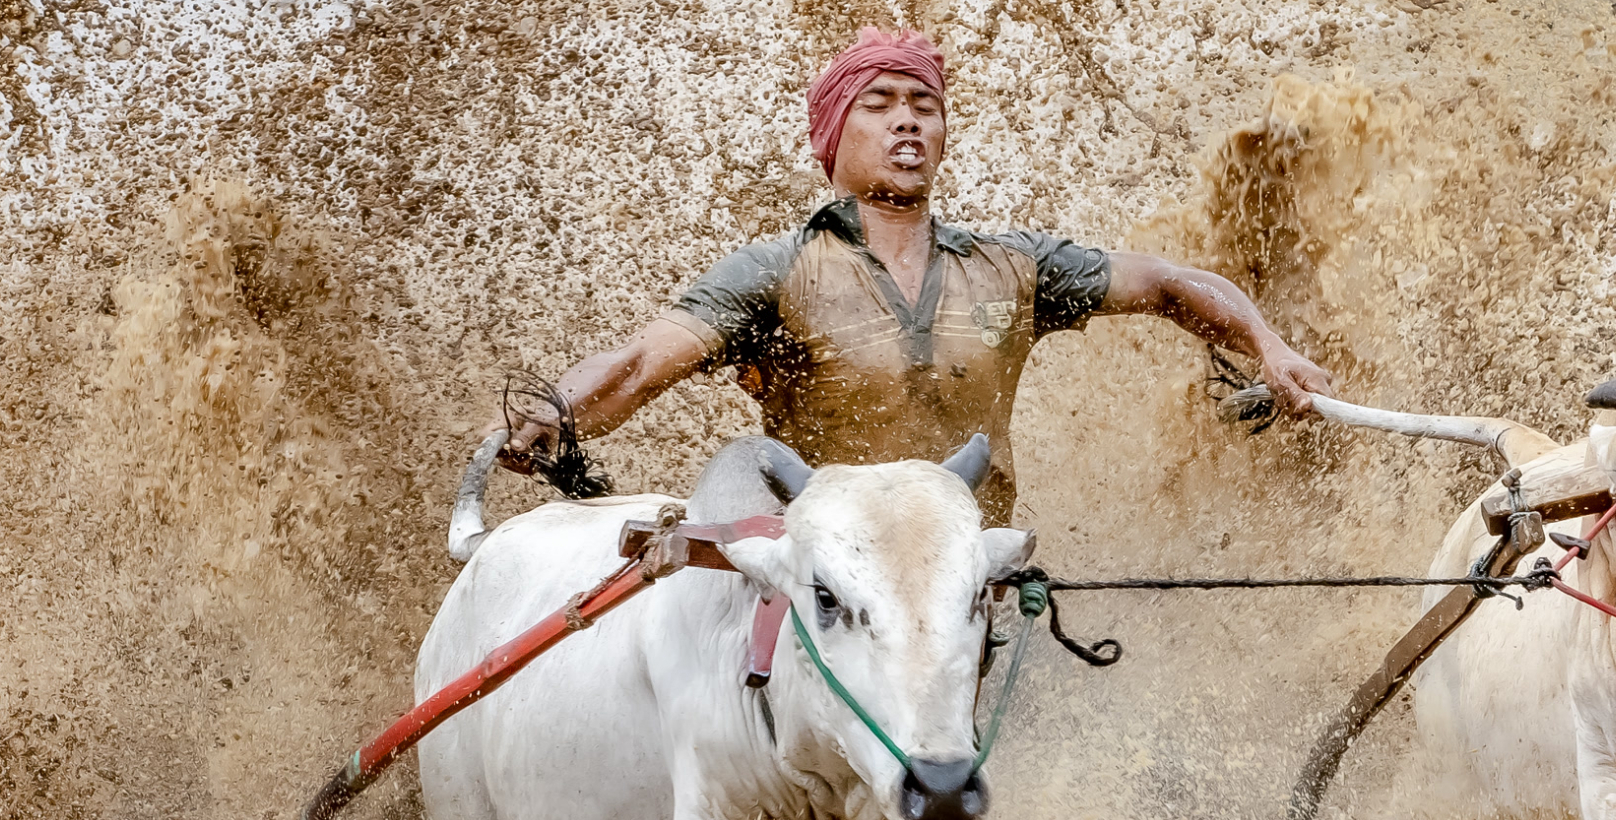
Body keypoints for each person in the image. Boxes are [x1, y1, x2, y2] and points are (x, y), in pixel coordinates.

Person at [496, 28, 1336, 521]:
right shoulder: (779, 272)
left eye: (924, 105)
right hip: (831, 581)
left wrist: (1269, 345)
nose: (907, 119)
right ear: (834, 134)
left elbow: (1166, 283)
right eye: (880, 102)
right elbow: (643, 362)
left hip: (969, 576)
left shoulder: (1014, 267)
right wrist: (555, 411)